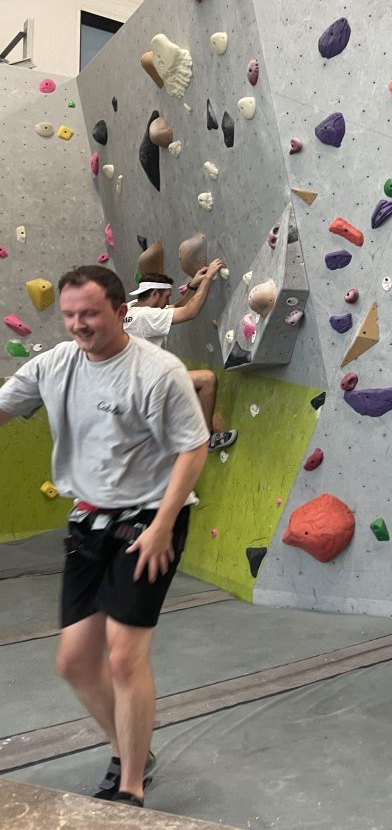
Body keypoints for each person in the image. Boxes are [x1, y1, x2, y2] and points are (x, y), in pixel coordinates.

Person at [0, 266, 210, 808]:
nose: (78, 325)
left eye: (89, 313)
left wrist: (164, 524)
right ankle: (132, 746)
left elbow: (193, 447)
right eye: (70, 315)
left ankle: (131, 785)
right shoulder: (53, 365)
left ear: (121, 312)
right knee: (73, 661)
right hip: (87, 520)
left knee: (122, 658)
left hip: (148, 520)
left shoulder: (157, 371)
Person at [123, 258, 236, 452]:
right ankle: (207, 441)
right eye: (167, 296)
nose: (168, 301)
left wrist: (192, 286)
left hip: (133, 387)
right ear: (155, 293)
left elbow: (172, 309)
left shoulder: (132, 307)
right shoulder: (146, 317)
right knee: (207, 380)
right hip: (146, 389)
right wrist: (208, 278)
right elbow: (190, 312)